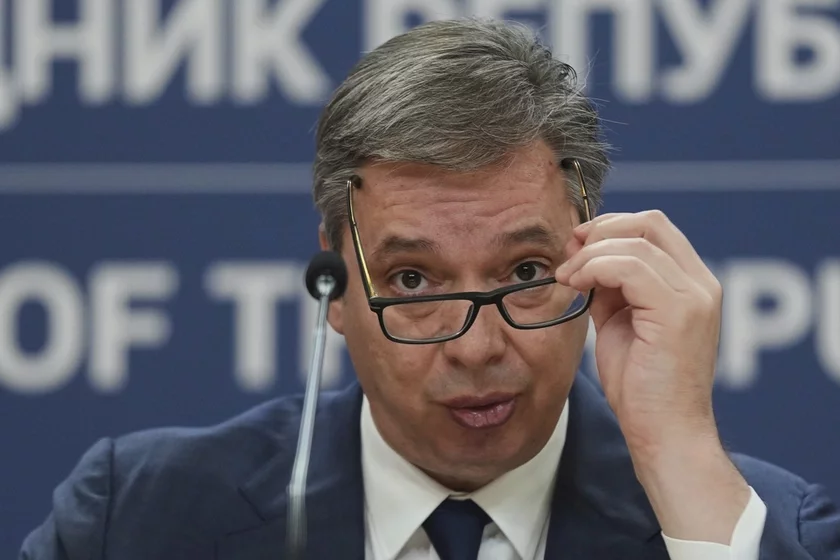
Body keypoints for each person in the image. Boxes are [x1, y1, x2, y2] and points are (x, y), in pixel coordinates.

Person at [19, 18, 840, 560]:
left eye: (526, 273)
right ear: (338, 287)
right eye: (413, 280)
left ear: (595, 256)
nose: (477, 348)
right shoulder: (138, 517)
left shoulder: (751, 526)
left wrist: (679, 456)